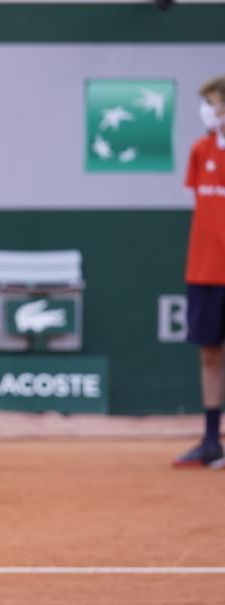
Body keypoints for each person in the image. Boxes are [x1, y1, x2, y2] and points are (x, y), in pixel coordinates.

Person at [173, 76, 225, 469]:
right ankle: (211, 441)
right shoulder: (199, 150)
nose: (210, 111)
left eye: (216, 104)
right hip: (204, 270)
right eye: (208, 105)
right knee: (209, 355)